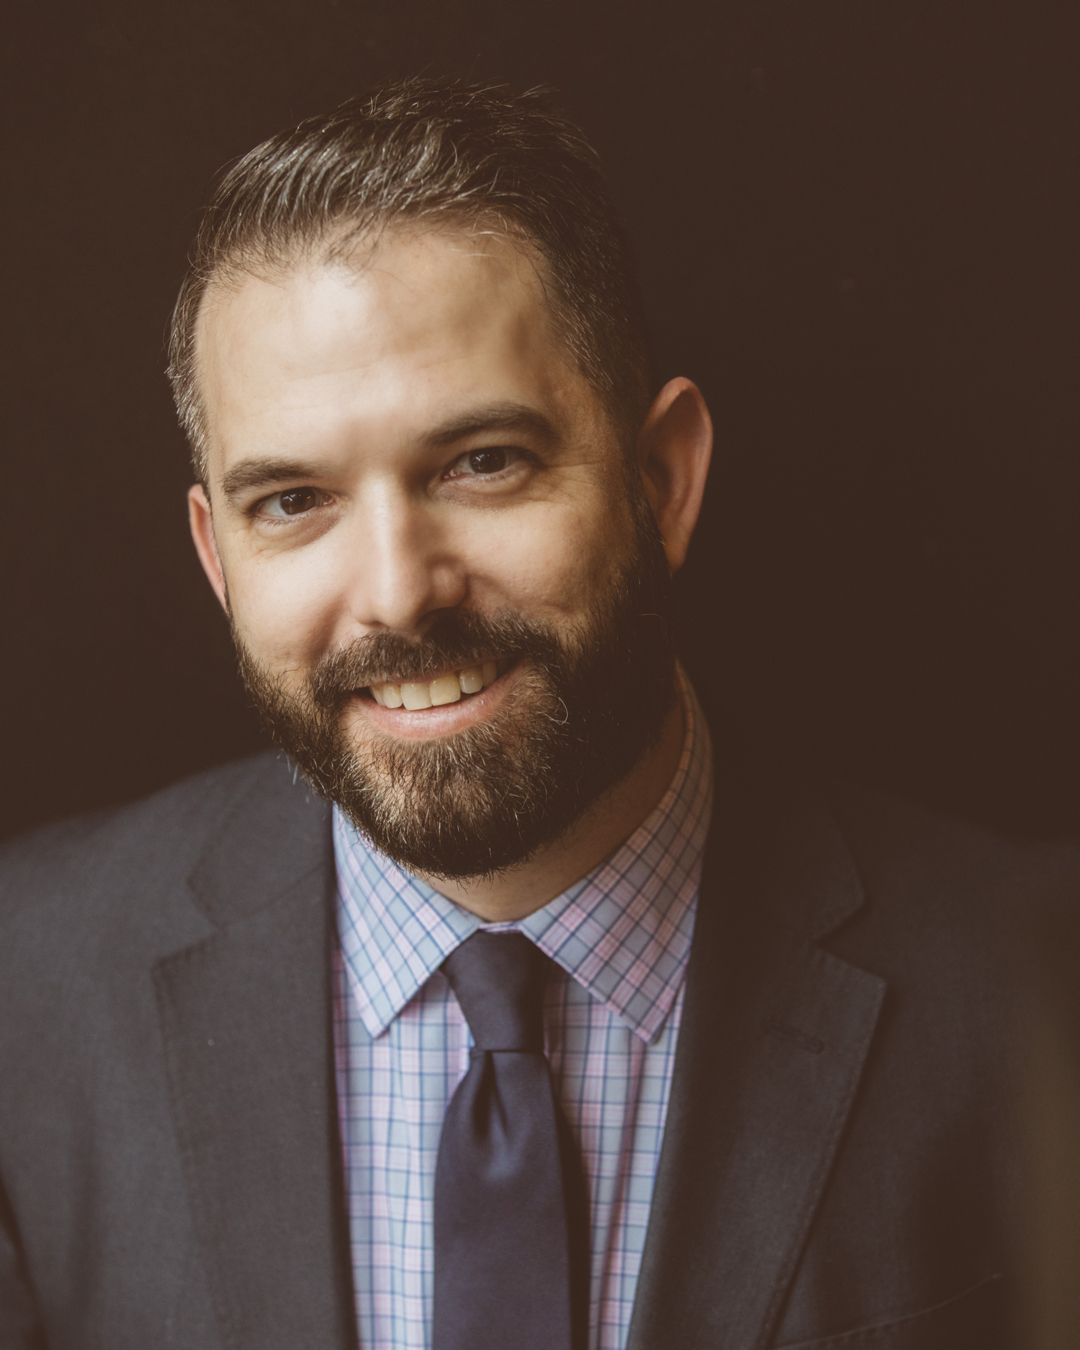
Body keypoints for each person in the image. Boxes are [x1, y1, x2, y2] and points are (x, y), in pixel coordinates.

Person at [0, 78, 1072, 1350]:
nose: (398, 592)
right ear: (217, 556)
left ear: (660, 480)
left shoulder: (1030, 997)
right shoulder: (24, 986)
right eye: (293, 500)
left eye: (482, 463)